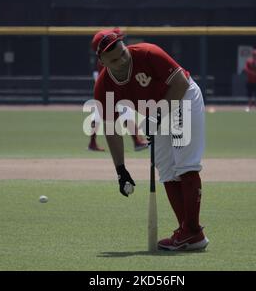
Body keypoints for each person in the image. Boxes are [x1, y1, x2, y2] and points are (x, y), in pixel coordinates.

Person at [91, 28, 209, 251]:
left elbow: (181, 84)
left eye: (122, 53)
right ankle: (188, 232)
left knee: (184, 164)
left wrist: (156, 115)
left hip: (182, 99)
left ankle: (192, 231)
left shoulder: (147, 53)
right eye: (114, 59)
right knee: (166, 169)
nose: (121, 60)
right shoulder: (104, 86)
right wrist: (121, 170)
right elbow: (111, 128)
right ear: (102, 61)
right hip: (157, 112)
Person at [88, 31, 149, 152]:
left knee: (101, 115)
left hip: (110, 88)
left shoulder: (110, 54)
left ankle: (92, 143)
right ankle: (137, 141)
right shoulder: (109, 57)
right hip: (110, 89)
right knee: (124, 113)